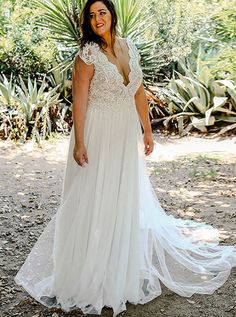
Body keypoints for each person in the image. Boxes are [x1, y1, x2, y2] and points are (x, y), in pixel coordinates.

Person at [14, 0, 236, 316]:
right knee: (95, 201)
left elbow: (138, 92)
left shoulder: (128, 46)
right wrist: (79, 142)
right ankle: (91, 278)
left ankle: (119, 272)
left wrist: (147, 131)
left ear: (112, 15)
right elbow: (78, 102)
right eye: (91, 16)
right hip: (96, 133)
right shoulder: (86, 56)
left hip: (124, 133)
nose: (96, 19)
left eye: (101, 12)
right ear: (87, 23)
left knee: (121, 200)